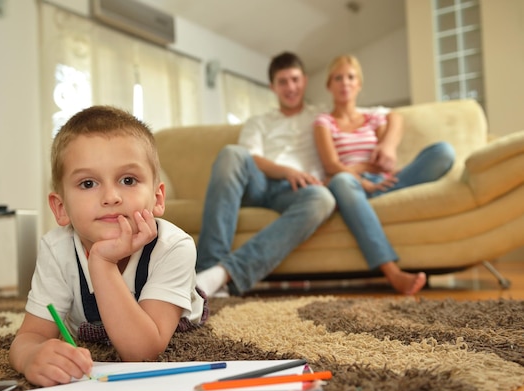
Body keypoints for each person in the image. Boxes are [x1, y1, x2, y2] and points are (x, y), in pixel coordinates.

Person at [9, 105, 207, 387]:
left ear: (157, 198)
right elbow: (29, 336)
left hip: (167, 317)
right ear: (61, 207)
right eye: (88, 183)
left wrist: (101, 262)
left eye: (128, 180)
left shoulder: (173, 246)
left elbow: (142, 352)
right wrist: (31, 356)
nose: (111, 197)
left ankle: (200, 283)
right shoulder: (57, 248)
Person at [195, 52, 336, 298]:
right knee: (232, 153)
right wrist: (287, 171)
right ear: (273, 86)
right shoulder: (259, 121)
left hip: (300, 192)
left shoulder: (322, 116)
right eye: (283, 81)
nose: (290, 87)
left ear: (304, 80)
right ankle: (205, 270)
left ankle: (220, 275)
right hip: (258, 183)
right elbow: (252, 158)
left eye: (295, 79)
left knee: (324, 199)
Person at [314, 54, 456, 295]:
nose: (345, 83)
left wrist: (381, 160)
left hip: (384, 184)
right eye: (338, 78)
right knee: (341, 180)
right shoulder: (324, 122)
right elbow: (331, 165)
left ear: (359, 84)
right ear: (329, 85)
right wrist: (360, 175)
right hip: (350, 188)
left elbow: (383, 161)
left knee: (443, 151)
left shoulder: (373, 118)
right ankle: (392, 272)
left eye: (351, 77)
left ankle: (364, 200)